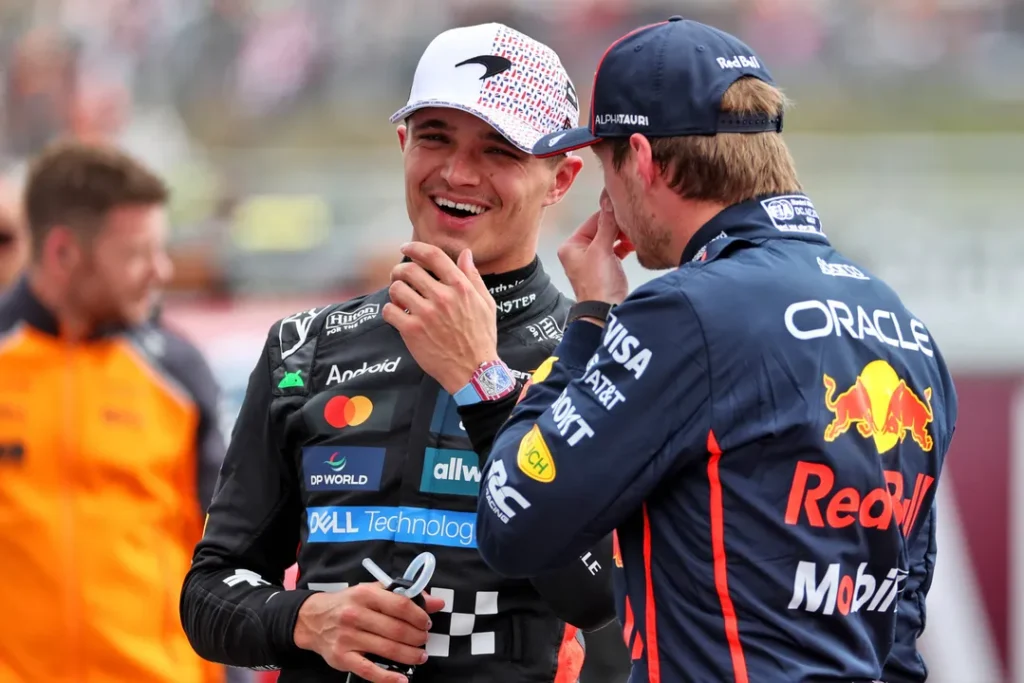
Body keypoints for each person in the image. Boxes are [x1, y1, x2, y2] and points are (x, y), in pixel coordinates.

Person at [393, 16, 959, 683]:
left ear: (641, 157)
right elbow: (901, 617)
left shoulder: (689, 311)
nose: (606, 200)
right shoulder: (900, 325)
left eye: (605, 165)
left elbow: (518, 522)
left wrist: (578, 327)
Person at [180, 22, 616, 683]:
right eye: (436, 137)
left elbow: (603, 603)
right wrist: (303, 618)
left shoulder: (603, 356)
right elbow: (208, 592)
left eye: (499, 150)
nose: (459, 173)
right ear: (403, 143)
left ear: (560, 179)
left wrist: (484, 384)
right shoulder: (305, 346)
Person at [0, 140, 245, 682]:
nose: (160, 271)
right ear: (63, 253)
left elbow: (227, 563)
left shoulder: (178, 376)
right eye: (137, 254)